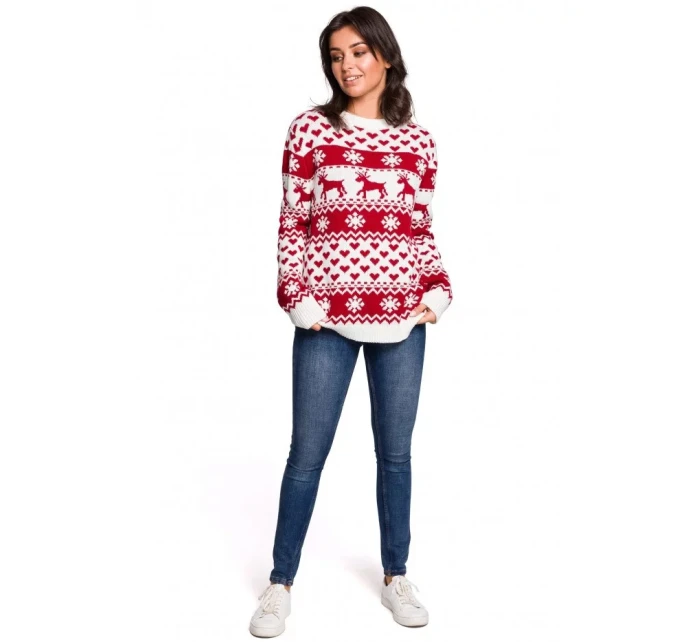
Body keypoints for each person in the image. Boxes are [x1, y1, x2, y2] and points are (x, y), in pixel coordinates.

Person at [249, 6, 453, 637]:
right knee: (306, 455)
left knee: (396, 456)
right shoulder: (309, 131)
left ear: (385, 55)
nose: (347, 66)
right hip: (326, 322)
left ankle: (396, 576)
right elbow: (292, 221)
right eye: (337, 56)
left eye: (359, 52)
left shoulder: (419, 142)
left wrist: (439, 289)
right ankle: (280, 583)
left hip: (402, 319)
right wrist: (295, 295)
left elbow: (419, 229)